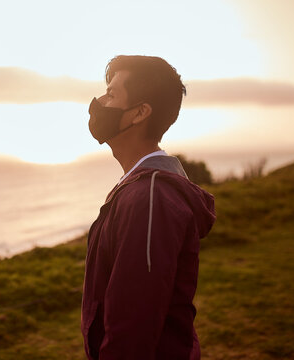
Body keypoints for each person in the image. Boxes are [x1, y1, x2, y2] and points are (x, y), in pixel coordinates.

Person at [81, 55, 216, 360]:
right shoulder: (138, 187)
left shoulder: (149, 200)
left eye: (112, 94)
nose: (99, 102)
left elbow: (133, 326)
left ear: (140, 112)